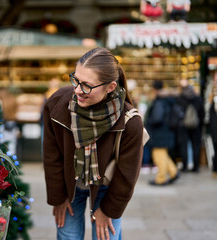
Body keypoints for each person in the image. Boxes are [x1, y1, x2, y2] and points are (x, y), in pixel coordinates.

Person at [42, 47, 144, 240]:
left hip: (108, 189)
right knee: (68, 236)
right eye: (76, 80)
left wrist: (108, 211)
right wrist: (58, 197)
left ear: (110, 87)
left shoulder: (130, 122)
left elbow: (127, 175)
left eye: (87, 85)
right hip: (68, 184)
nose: (78, 90)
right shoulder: (56, 104)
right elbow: (51, 156)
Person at [145, 80, 180, 186]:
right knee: (163, 154)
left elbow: (157, 117)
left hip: (159, 132)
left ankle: (161, 178)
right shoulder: (167, 99)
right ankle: (173, 172)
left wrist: (148, 122)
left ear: (154, 89)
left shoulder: (159, 101)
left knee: (158, 154)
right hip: (166, 131)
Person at [175, 79, 204, 172]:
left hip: (183, 125)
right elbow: (202, 113)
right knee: (196, 145)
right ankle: (196, 166)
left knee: (184, 146)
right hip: (196, 126)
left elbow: (177, 112)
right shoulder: (198, 98)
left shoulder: (181, 98)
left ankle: (185, 166)